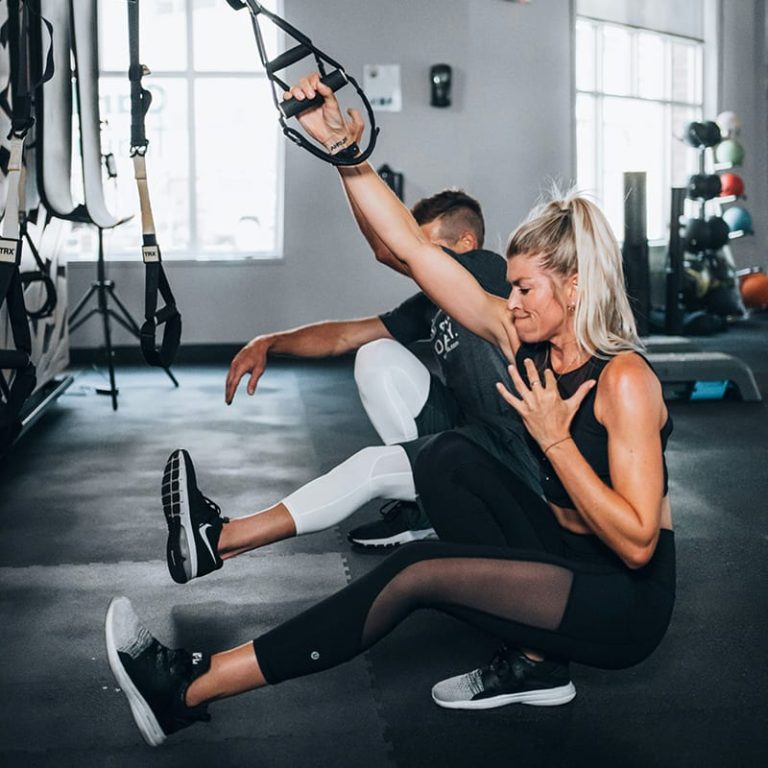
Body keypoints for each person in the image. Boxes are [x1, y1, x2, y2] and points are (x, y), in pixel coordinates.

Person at [105, 76, 675, 747]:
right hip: (564, 554)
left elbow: (638, 544)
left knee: (415, 574)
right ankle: (536, 661)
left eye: (526, 288)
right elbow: (411, 248)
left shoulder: (623, 379)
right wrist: (346, 154)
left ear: (574, 287)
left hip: (622, 601)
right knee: (448, 455)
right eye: (511, 288)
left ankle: (188, 687)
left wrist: (555, 442)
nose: (512, 301)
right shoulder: (523, 338)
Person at [163, 198, 541, 584]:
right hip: (468, 433)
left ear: (466, 244)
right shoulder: (433, 303)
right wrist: (270, 342)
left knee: (371, 467)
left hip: (511, 453)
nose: (423, 263)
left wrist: (348, 165)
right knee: (375, 354)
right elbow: (345, 336)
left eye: (430, 248)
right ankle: (424, 509)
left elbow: (391, 251)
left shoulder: (488, 269)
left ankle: (220, 539)